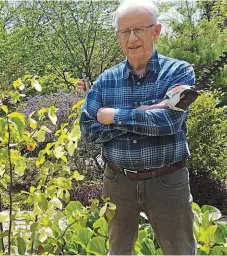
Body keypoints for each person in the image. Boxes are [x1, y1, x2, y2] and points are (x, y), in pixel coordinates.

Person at [80, 0, 196, 255]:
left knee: (180, 251)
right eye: (125, 32)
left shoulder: (179, 72)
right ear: (118, 37)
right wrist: (141, 116)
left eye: (139, 30)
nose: (131, 38)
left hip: (168, 181)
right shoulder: (105, 81)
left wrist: (114, 116)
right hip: (118, 181)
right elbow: (88, 130)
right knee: (118, 251)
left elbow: (168, 122)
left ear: (156, 31)